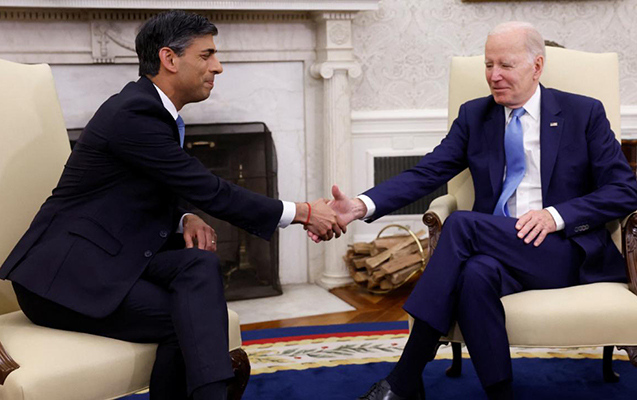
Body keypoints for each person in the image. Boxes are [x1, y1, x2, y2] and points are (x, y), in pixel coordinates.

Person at [0, 10, 344, 400]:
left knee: (200, 265)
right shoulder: (134, 113)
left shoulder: (152, 111)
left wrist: (184, 216)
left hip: (112, 260)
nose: (218, 67)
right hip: (60, 281)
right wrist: (302, 212)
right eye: (206, 55)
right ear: (169, 58)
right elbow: (208, 188)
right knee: (193, 318)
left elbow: (149, 184)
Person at [312, 21, 637, 400]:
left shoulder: (583, 113)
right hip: (498, 251)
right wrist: (359, 205)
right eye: (488, 65)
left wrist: (556, 216)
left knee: (462, 225)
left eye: (506, 65)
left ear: (537, 66)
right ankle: (500, 394)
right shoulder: (475, 116)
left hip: (564, 251)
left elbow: (625, 190)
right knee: (473, 276)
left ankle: (405, 377)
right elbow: (426, 173)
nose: (494, 76)